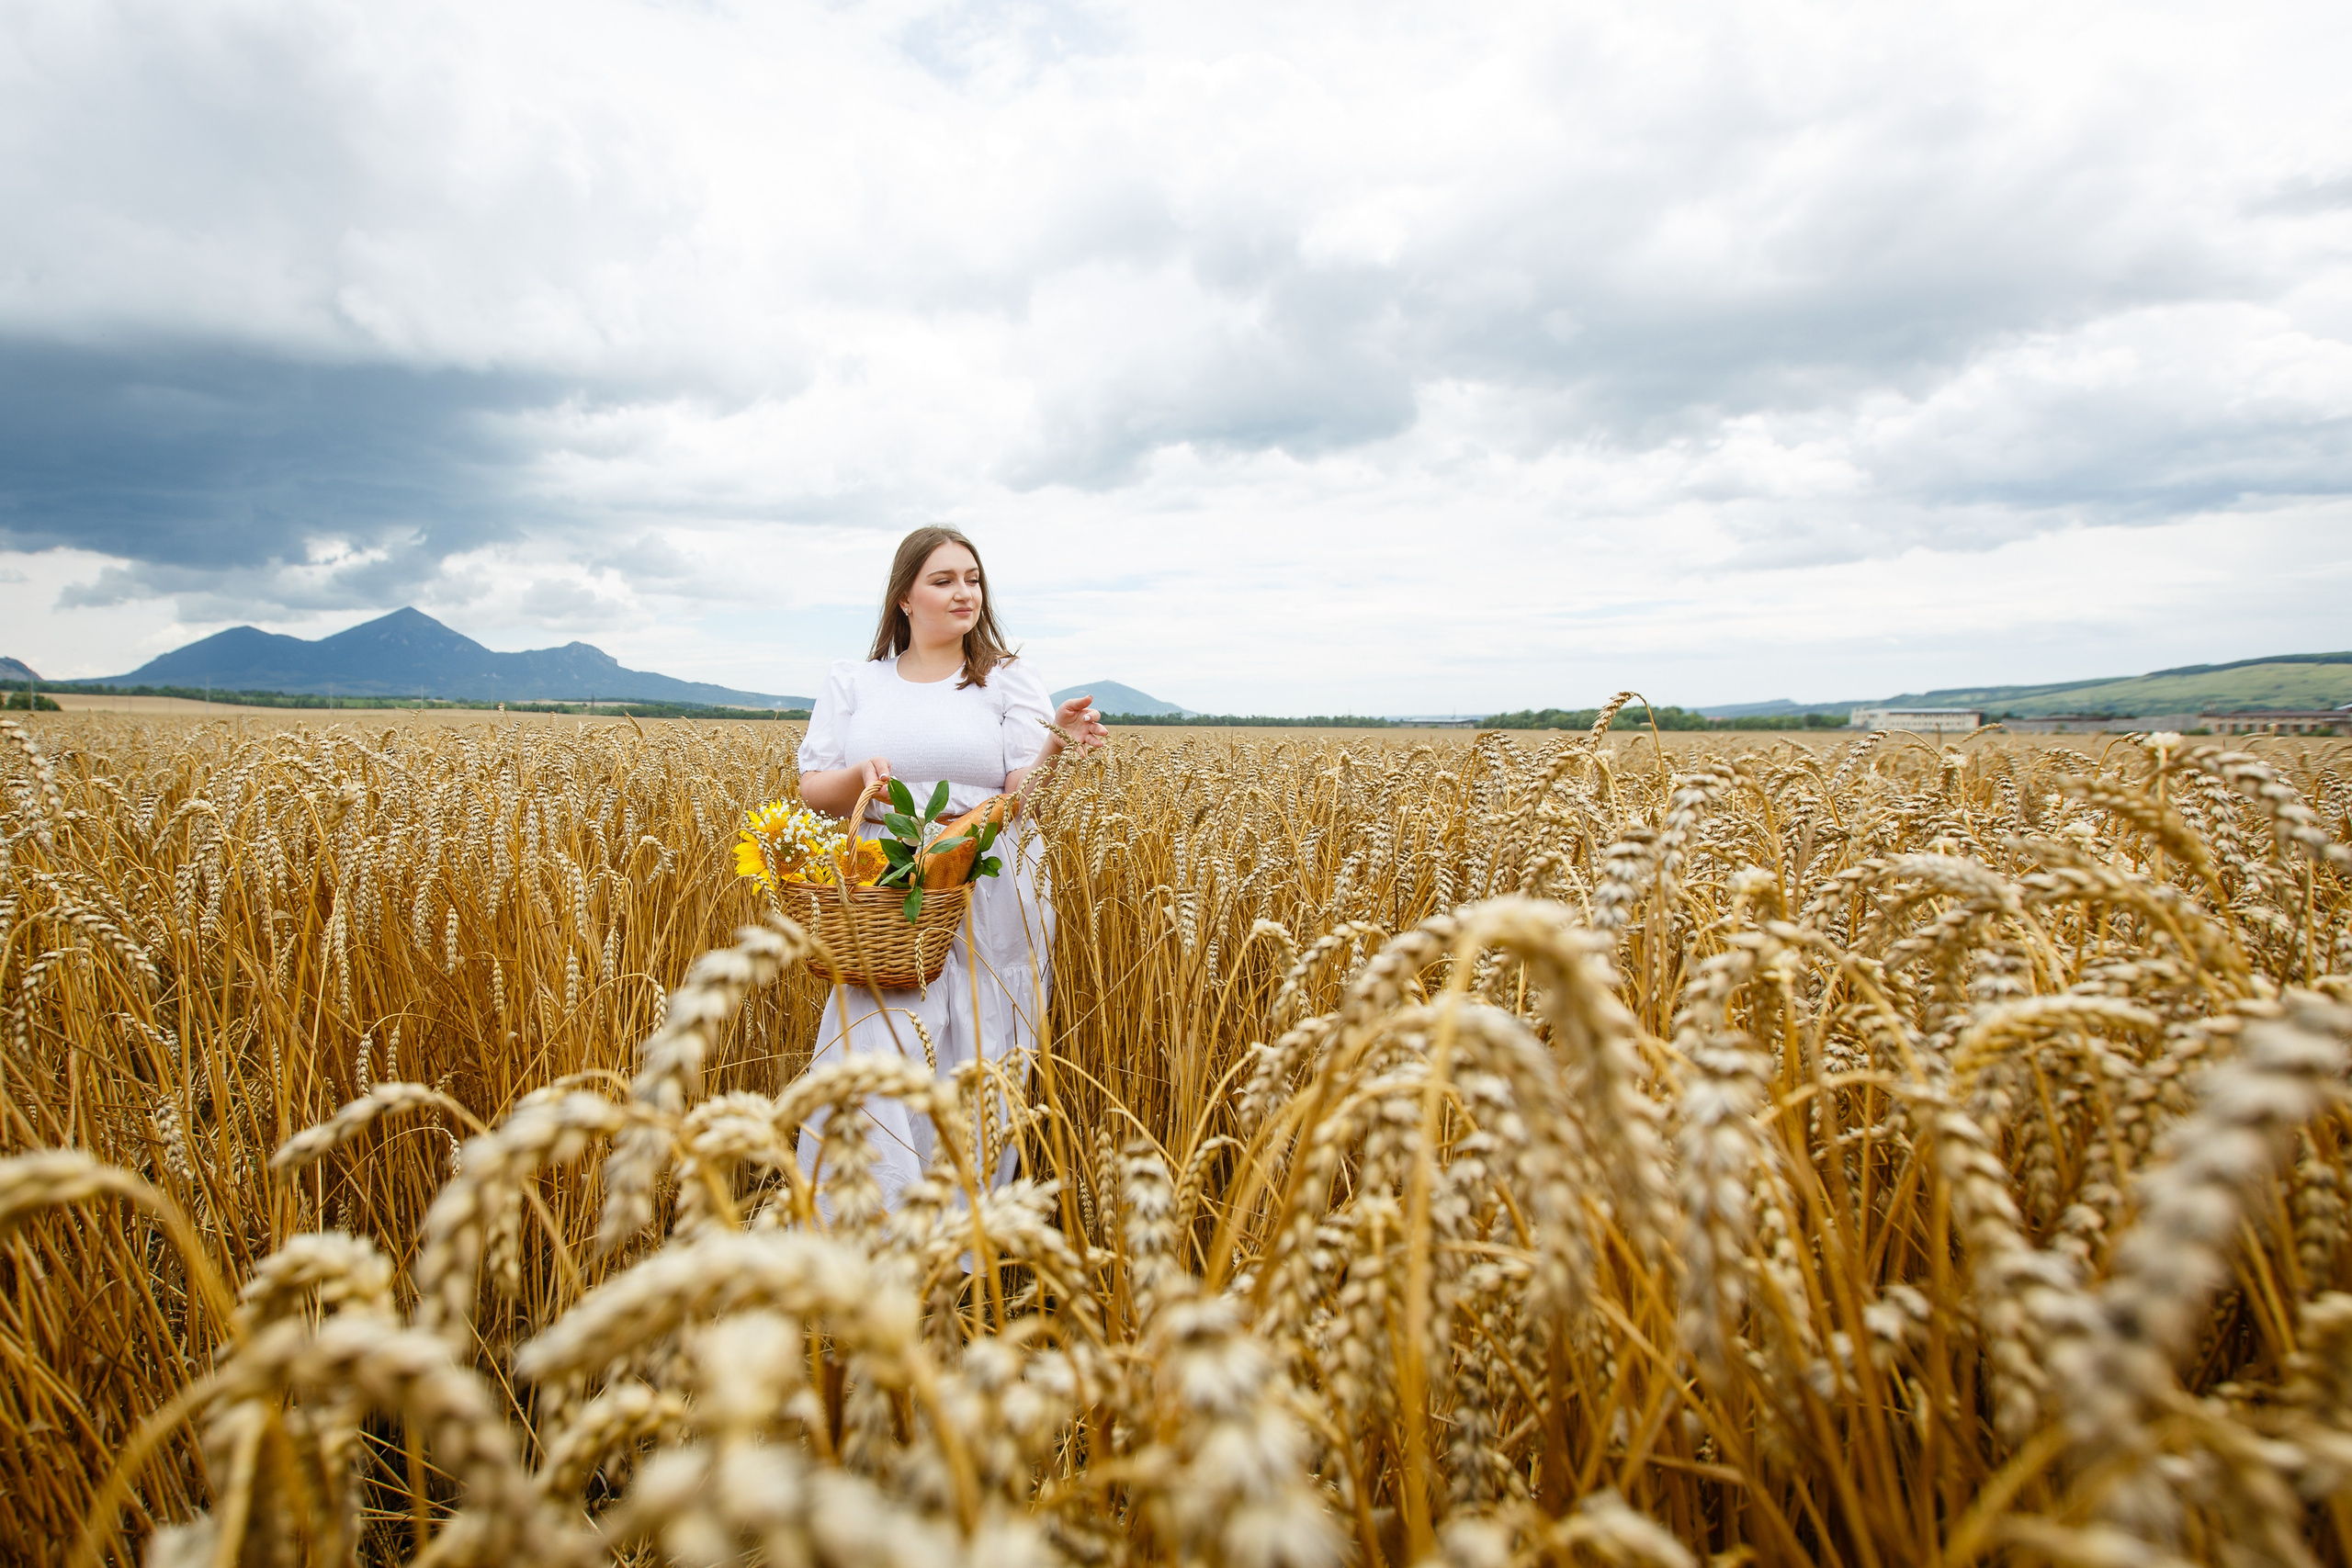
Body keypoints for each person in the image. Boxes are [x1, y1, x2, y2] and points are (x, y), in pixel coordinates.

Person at [793, 525, 1109, 1209]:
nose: (964, 591)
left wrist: (1055, 744)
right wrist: (857, 780)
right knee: (874, 1045)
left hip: (991, 888)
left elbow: (1020, 800)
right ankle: (867, 1229)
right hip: (886, 893)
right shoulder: (856, 682)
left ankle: (962, 1244)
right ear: (904, 596)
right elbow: (813, 789)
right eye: (943, 579)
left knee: (981, 1055)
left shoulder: (1005, 679)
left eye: (972, 578)